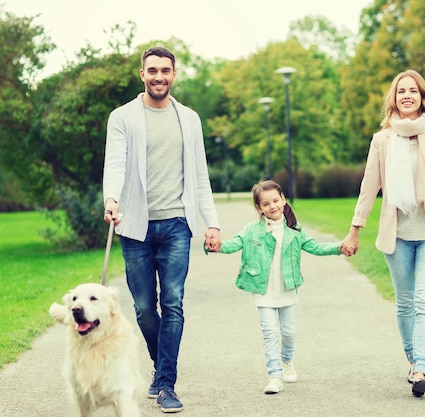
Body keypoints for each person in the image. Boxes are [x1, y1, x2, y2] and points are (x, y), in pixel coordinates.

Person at [102, 46, 221, 414]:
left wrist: (211, 222)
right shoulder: (123, 117)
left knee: (173, 303)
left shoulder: (189, 118)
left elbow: (200, 175)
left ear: (174, 74)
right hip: (135, 226)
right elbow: (115, 164)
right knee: (142, 308)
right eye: (152, 70)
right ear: (142, 74)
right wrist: (111, 199)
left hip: (176, 225)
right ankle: (161, 366)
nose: (159, 77)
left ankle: (166, 382)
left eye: (165, 71)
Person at [340, 69, 425, 397]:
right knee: (405, 303)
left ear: (422, 97)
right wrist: (355, 230)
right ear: (394, 99)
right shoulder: (382, 140)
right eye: (401, 91)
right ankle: (412, 361)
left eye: (413, 90)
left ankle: (422, 368)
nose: (407, 95)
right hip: (397, 234)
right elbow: (370, 187)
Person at [209, 180, 344, 394]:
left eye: (275, 200)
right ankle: (274, 375)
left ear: (283, 199)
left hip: (287, 288)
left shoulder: (295, 230)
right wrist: (217, 246)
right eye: (265, 204)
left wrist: (340, 247)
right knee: (269, 332)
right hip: (263, 289)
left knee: (289, 333)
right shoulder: (252, 230)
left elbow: (315, 247)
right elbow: (234, 243)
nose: (272, 206)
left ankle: (286, 361)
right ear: (259, 209)